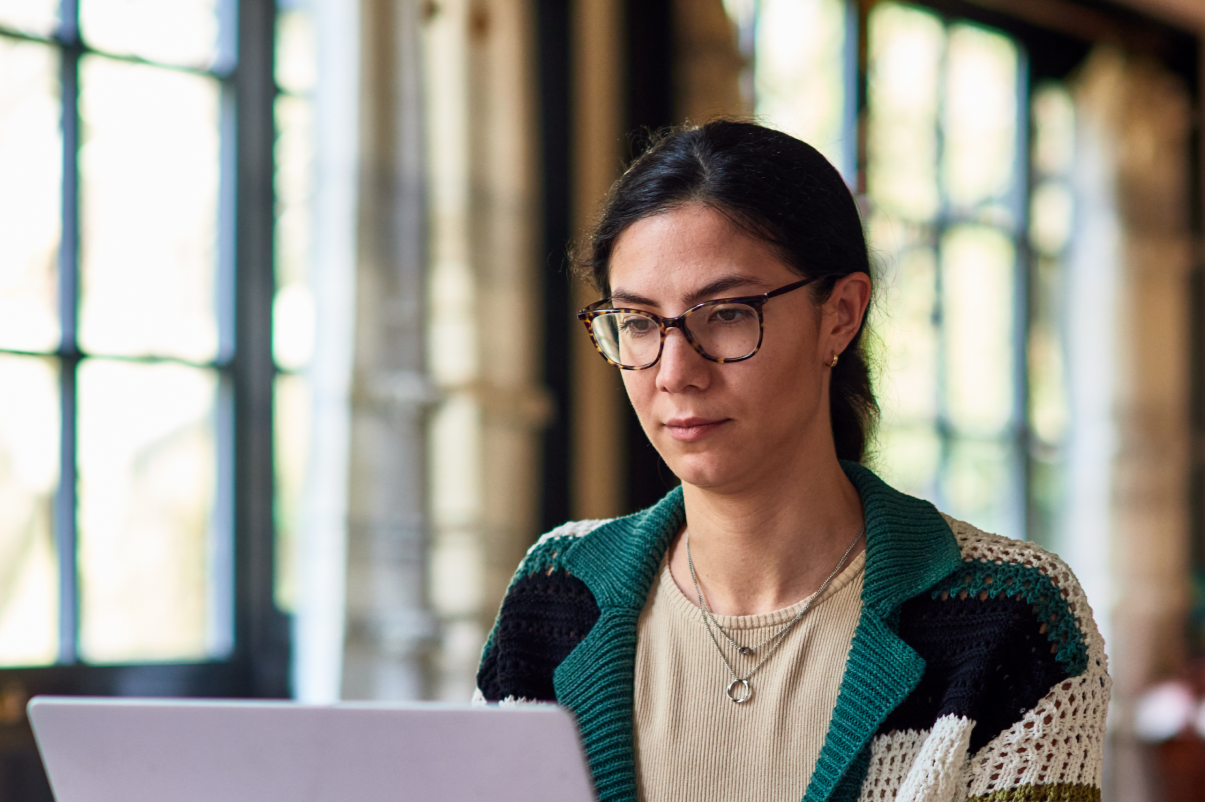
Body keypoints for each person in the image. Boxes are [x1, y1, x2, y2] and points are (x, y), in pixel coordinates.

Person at [474, 120, 1109, 802]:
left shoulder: (1010, 619)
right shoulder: (552, 601)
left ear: (838, 314)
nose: (674, 372)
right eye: (636, 322)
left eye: (724, 313)